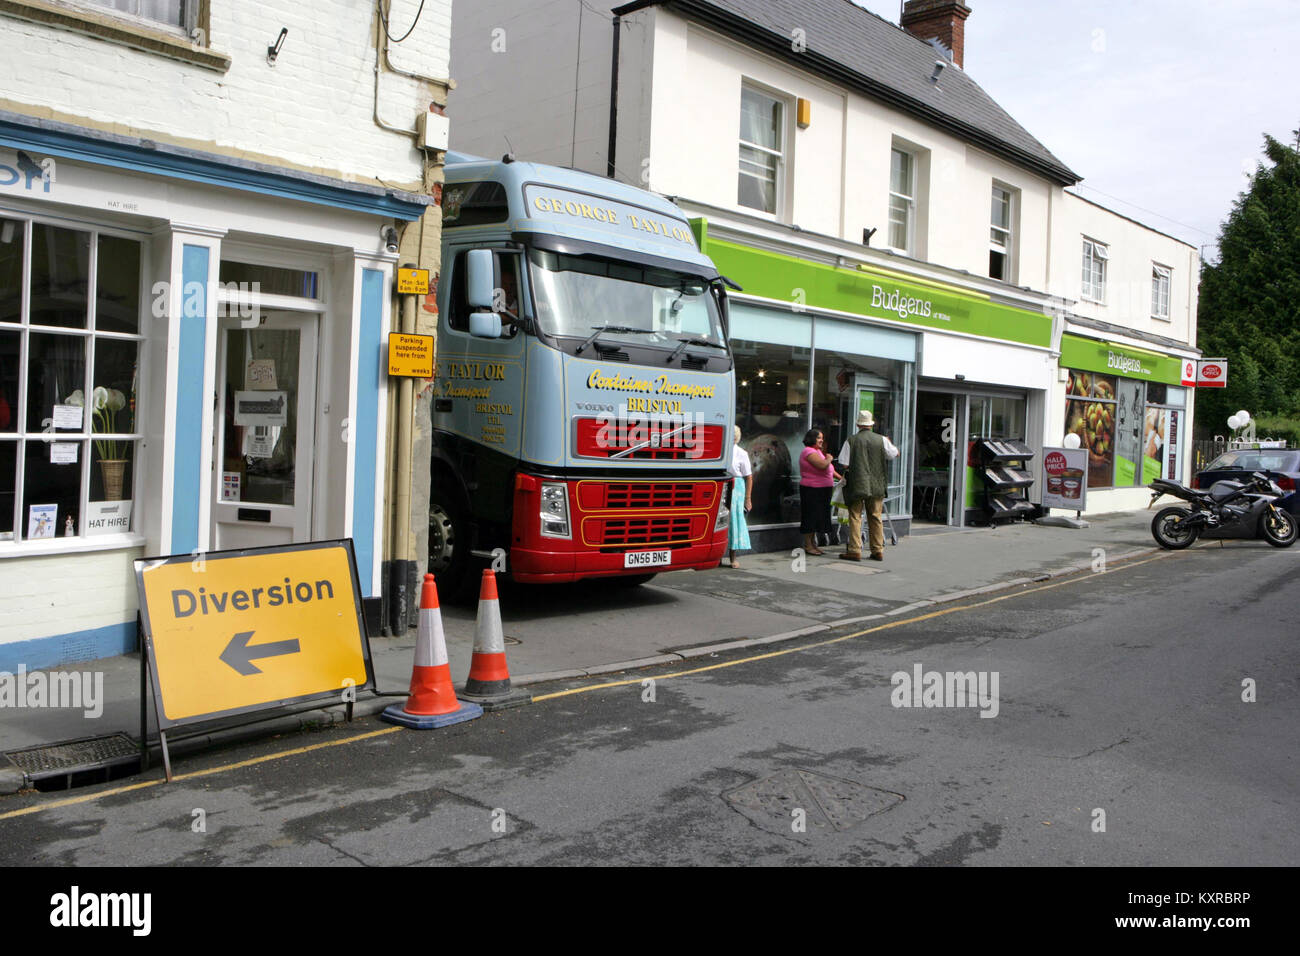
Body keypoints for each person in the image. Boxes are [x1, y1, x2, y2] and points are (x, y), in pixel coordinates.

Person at [841, 410, 890, 562]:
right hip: (876, 484)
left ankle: (855, 550)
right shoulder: (881, 440)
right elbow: (895, 454)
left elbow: (844, 463)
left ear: (858, 424)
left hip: (857, 484)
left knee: (855, 516)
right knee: (875, 516)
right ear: (871, 424)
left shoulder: (851, 440)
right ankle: (877, 550)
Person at [798, 428, 837, 555]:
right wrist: (829, 458)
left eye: (822, 438)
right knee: (811, 516)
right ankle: (808, 545)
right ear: (812, 438)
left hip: (822, 489)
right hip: (812, 489)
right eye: (819, 438)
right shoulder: (808, 452)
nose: (822, 440)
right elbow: (822, 465)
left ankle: (813, 544)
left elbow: (829, 469)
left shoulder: (818, 451)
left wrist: (842, 478)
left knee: (817, 517)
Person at [726, 425, 753, 568]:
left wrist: (748, 498)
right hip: (724, 483)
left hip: (736, 486)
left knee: (734, 521)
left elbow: (749, 477)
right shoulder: (722, 450)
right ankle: (717, 555)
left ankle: (732, 557)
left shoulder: (742, 453)